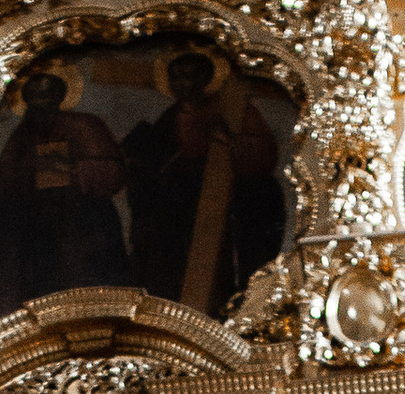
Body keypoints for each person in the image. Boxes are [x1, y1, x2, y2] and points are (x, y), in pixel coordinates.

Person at [122, 51, 286, 312]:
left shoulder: (233, 110)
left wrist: (228, 142)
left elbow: (262, 154)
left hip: (222, 198)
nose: (182, 84)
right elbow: (154, 164)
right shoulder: (169, 117)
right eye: (175, 77)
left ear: (206, 78)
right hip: (178, 205)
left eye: (189, 76)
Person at [0, 69, 129, 306]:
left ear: (59, 96)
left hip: (83, 225)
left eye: (46, 95)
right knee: (43, 297)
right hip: (39, 229)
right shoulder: (23, 135)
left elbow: (112, 171)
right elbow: (8, 177)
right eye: (33, 97)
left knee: (88, 294)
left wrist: (69, 170)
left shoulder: (84, 125)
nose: (39, 103)